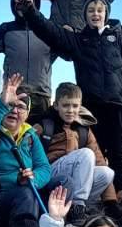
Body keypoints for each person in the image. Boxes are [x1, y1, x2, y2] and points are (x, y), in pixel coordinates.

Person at [25, 0, 122, 169]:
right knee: (93, 150)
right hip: (92, 106)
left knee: (117, 152)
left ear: (106, 14)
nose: (95, 14)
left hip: (117, 106)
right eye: (91, 10)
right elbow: (51, 32)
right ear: (85, 15)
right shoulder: (78, 40)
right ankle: (95, 183)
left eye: (100, 10)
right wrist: (31, 12)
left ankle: (116, 185)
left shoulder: (120, 40)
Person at [0, 73, 52, 227]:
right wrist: (1, 104)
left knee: (61, 185)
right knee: (26, 194)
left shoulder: (30, 135)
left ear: (27, 113)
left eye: (21, 107)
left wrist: (33, 178)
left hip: (25, 196)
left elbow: (44, 167)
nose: (14, 111)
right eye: (11, 105)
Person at [37, 82, 116, 216]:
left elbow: (99, 161)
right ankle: (77, 206)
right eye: (65, 105)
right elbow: (27, 151)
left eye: (75, 106)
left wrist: (110, 201)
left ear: (80, 106)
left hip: (76, 179)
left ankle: (73, 206)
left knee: (106, 172)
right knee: (86, 154)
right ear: (56, 105)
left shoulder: (83, 129)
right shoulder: (44, 125)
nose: (70, 110)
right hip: (50, 174)